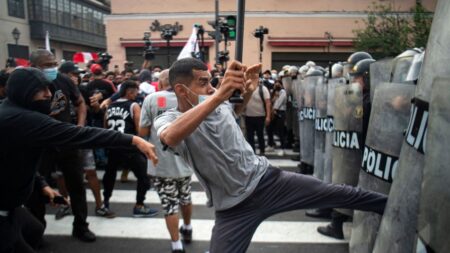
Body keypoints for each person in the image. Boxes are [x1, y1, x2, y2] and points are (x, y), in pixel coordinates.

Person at [154, 58, 387, 252]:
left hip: (269, 181)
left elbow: (233, 111)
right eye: (203, 83)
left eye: (211, 82)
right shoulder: (168, 118)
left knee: (341, 194)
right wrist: (218, 96)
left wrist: (248, 92)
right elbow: (171, 137)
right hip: (233, 208)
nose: (211, 88)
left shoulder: (215, 102)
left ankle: (391, 207)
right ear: (181, 90)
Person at [0, 67, 158, 253]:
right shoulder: (20, 118)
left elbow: (14, 159)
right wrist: (133, 140)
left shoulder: (11, 110)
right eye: (41, 90)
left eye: (49, 88)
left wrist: (41, 185)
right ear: (24, 91)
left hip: (12, 205)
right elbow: (79, 135)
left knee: (34, 230)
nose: (48, 94)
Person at [139, 69, 194, 253]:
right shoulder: (190, 98)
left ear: (161, 83)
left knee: (170, 204)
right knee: (185, 197)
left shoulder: (151, 99)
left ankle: (176, 245)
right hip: (186, 161)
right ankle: (187, 228)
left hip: (161, 163)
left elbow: (143, 133)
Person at [103, 80, 159, 217]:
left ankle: (105, 204)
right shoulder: (133, 105)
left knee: (109, 176)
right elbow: (140, 131)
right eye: (135, 91)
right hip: (129, 146)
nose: (137, 94)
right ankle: (139, 206)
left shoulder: (110, 106)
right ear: (129, 91)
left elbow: (105, 127)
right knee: (144, 177)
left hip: (113, 145)